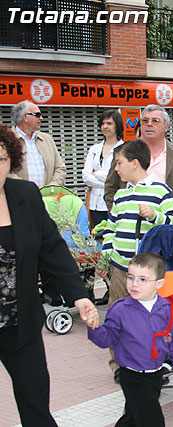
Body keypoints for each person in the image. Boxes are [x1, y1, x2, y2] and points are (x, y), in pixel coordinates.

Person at [0, 123, 97, 427]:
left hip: (21, 321)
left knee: (35, 403)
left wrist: (80, 295)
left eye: (1, 159)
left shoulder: (26, 195)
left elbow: (52, 248)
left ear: (11, 160)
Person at [100, 139, 173, 380]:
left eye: (119, 163)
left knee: (148, 320)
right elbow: (111, 228)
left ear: (134, 163)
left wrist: (155, 215)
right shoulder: (121, 195)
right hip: (119, 268)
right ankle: (119, 366)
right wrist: (106, 256)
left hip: (147, 273)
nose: (116, 169)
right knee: (116, 316)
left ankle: (150, 362)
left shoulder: (160, 191)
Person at [88, 252, 173, 426]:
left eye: (142, 279)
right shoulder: (120, 309)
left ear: (159, 283)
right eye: (131, 277)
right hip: (131, 376)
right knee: (152, 420)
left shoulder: (168, 310)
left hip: (156, 375)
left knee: (133, 418)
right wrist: (93, 327)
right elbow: (105, 339)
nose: (134, 284)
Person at [104, 104, 173, 210]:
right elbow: (110, 188)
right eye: (145, 121)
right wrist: (118, 215)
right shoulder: (123, 152)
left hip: (167, 223)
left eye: (155, 121)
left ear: (166, 126)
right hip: (131, 222)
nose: (149, 124)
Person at [82, 109, 125, 226]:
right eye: (103, 123)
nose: (105, 126)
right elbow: (86, 177)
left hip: (113, 204)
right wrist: (108, 181)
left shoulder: (124, 149)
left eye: (109, 123)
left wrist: (97, 174)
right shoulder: (94, 149)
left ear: (117, 125)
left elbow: (121, 177)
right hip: (95, 204)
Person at [10, 100, 66, 186]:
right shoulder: (7, 140)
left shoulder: (47, 139)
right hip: (19, 196)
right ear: (25, 117)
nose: (41, 118)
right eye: (37, 115)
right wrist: (28, 189)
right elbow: (5, 171)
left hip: (48, 197)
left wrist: (52, 187)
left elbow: (60, 168)